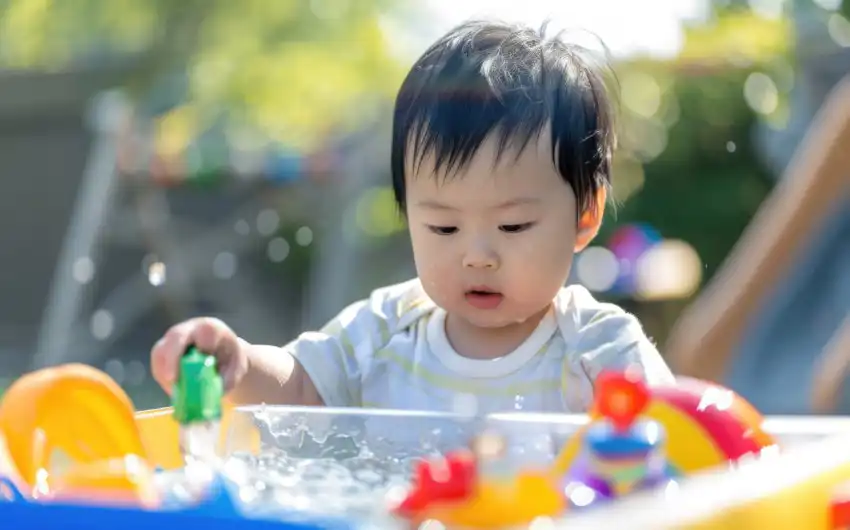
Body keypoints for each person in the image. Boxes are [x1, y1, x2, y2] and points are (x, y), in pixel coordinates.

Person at [151, 20, 674, 414]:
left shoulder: (599, 351)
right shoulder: (384, 331)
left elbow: (679, 444)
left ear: (585, 216)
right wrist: (239, 363)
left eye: (513, 226)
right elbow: (301, 388)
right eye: (444, 227)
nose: (477, 256)